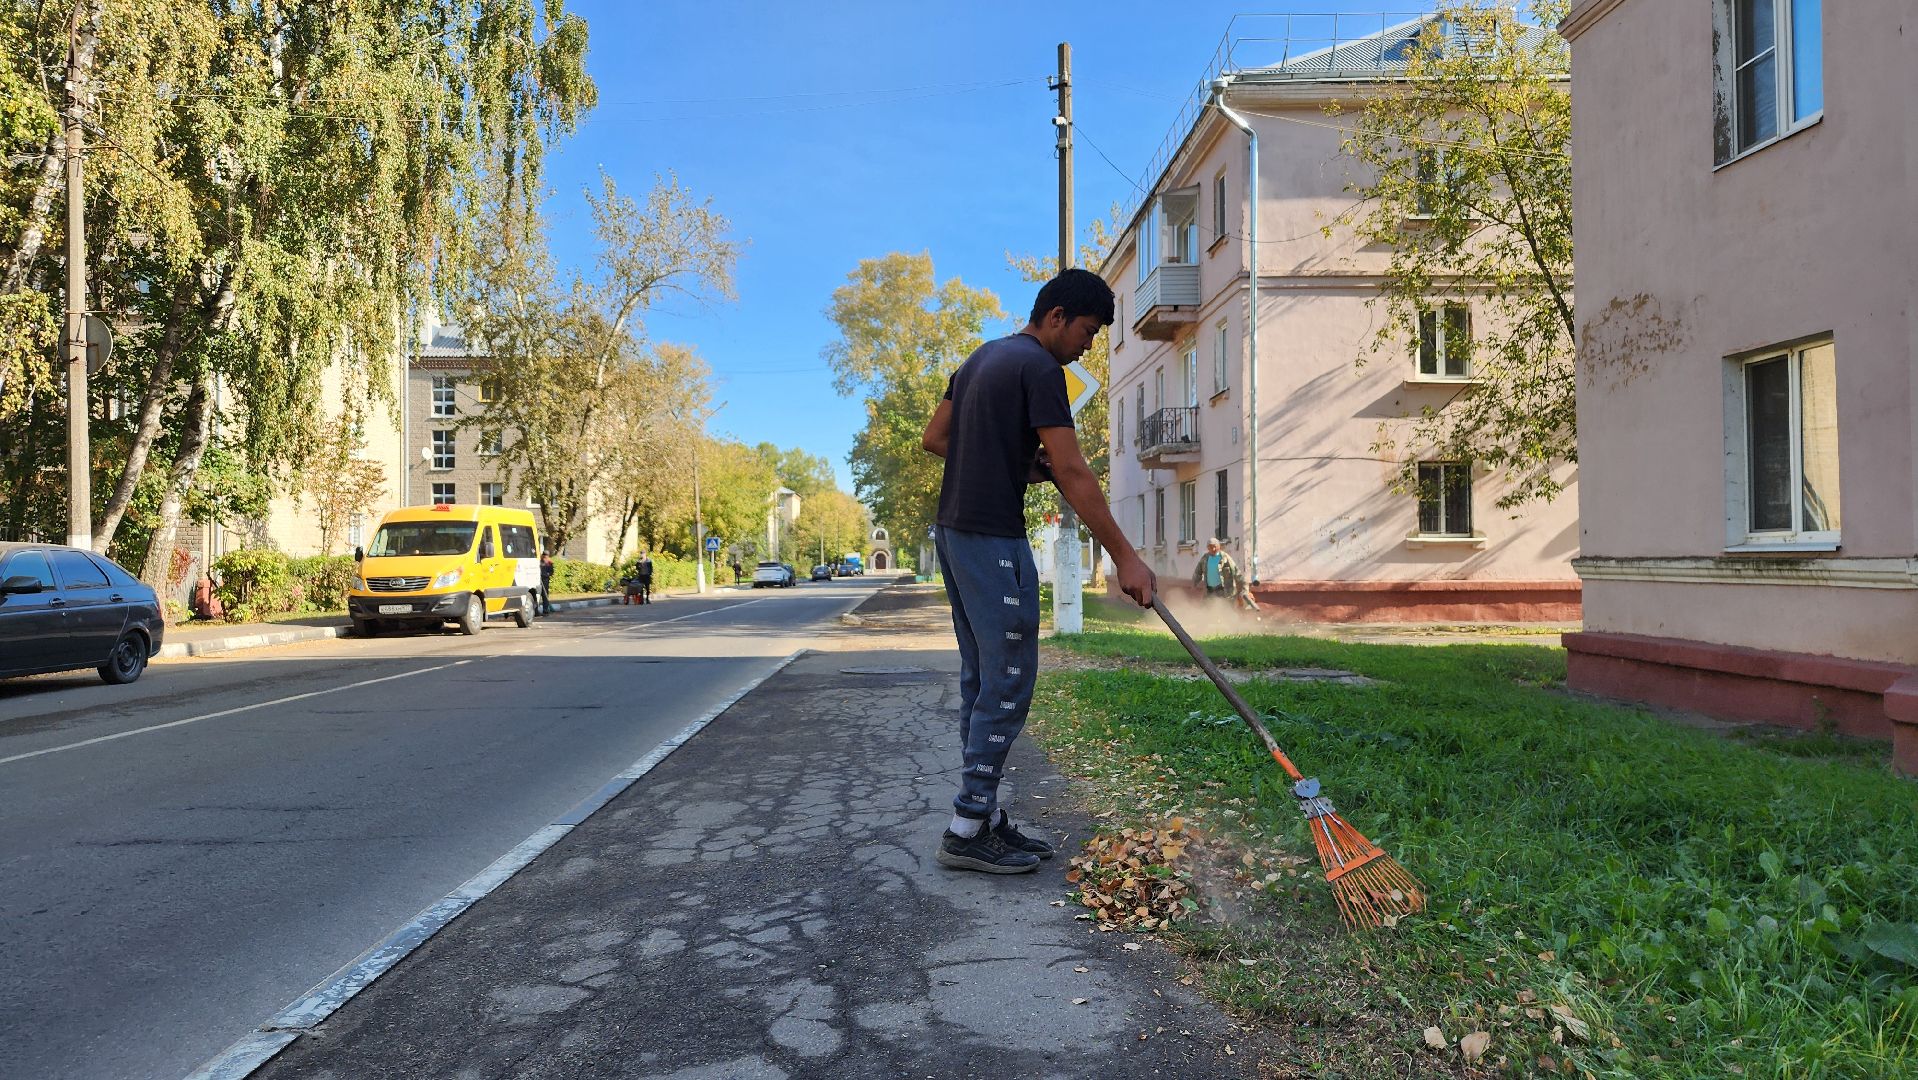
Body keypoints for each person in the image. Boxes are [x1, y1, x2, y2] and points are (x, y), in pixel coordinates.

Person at [920, 268, 1155, 875]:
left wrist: (1019, 465)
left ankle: (982, 817)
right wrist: (1126, 557)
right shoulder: (1041, 369)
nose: (1087, 346)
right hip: (992, 537)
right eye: (1087, 331)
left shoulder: (981, 358)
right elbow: (1073, 471)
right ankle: (966, 829)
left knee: (982, 677)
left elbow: (936, 438)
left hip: (954, 533)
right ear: (1056, 317)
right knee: (1008, 678)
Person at [1192, 537, 1241, 603]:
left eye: (1215, 547)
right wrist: (1193, 585)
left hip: (1223, 591)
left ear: (1219, 546)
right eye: (1210, 547)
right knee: (1206, 608)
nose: (1213, 549)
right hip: (1209, 591)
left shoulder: (1225, 558)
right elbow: (1197, 572)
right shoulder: (1205, 558)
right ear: (1208, 548)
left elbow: (1237, 573)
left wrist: (1243, 590)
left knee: (1222, 607)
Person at [538, 549, 556, 616]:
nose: (545, 556)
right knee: (537, 595)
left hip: (545, 580)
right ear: (543, 555)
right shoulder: (539, 561)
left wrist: (548, 574)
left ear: (548, 556)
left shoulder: (550, 563)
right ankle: (536, 610)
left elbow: (552, 572)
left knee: (545, 595)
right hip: (538, 580)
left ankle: (545, 610)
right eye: (544, 555)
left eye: (546, 555)